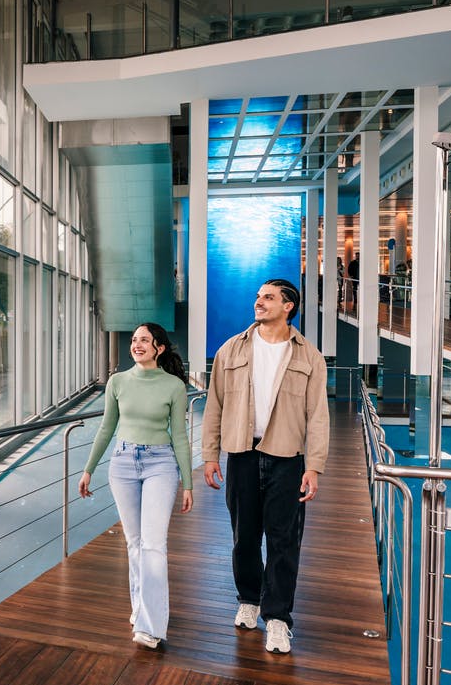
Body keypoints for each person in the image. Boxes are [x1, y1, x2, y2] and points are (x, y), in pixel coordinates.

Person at [201, 279, 329, 655]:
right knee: (244, 537)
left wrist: (315, 466)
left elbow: (318, 416)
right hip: (240, 455)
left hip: (287, 459)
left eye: (268, 298)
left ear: (288, 306)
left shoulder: (309, 356)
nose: (259, 303)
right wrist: (210, 455)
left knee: (284, 541)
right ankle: (249, 599)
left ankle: (276, 618)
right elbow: (214, 406)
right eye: (258, 297)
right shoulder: (231, 349)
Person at [78, 323, 194, 650]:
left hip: (161, 464)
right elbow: (106, 429)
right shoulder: (118, 382)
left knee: (153, 544)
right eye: (133, 340)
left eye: (144, 340)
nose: (137, 344)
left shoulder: (173, 386)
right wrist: (88, 469)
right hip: (123, 464)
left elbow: (181, 438)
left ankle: (151, 627)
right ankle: (140, 607)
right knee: (134, 543)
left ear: (159, 348)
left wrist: (188, 482)